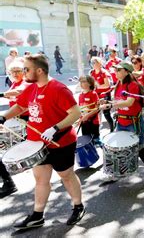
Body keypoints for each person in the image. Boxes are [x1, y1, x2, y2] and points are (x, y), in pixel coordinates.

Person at [0, 54, 85, 229]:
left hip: (60, 142)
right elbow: (21, 106)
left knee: (66, 176)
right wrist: (3, 117)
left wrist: (55, 128)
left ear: (39, 70)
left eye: (27, 69)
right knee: (40, 179)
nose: (24, 73)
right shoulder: (31, 89)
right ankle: (37, 215)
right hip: (36, 143)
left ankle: (78, 206)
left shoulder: (59, 89)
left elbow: (76, 113)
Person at [99, 62, 144, 182]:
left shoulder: (133, 85)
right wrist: (106, 103)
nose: (115, 72)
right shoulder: (117, 85)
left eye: (118, 70)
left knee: (139, 147)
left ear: (126, 71)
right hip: (121, 121)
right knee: (119, 147)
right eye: (115, 70)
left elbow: (129, 102)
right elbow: (118, 103)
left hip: (134, 122)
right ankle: (117, 172)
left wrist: (110, 104)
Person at [0, 61, 30, 198]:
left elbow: (19, 92)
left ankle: (9, 181)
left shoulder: (24, 83)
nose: (16, 74)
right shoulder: (14, 83)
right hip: (16, 119)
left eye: (19, 71)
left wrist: (1, 94)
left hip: (27, 119)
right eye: (14, 72)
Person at [89, 57, 114, 132]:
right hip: (96, 95)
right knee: (95, 113)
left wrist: (97, 85)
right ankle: (97, 130)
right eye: (92, 62)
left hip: (104, 95)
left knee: (106, 114)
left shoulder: (104, 72)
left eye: (95, 62)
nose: (93, 64)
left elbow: (107, 85)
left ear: (99, 63)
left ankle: (112, 129)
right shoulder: (91, 72)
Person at [78, 75, 101, 145]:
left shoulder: (93, 94)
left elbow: (97, 108)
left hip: (93, 122)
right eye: (81, 82)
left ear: (90, 83)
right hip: (84, 123)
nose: (82, 83)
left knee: (96, 141)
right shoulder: (80, 95)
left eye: (84, 81)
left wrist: (87, 116)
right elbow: (80, 109)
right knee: (86, 141)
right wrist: (80, 119)